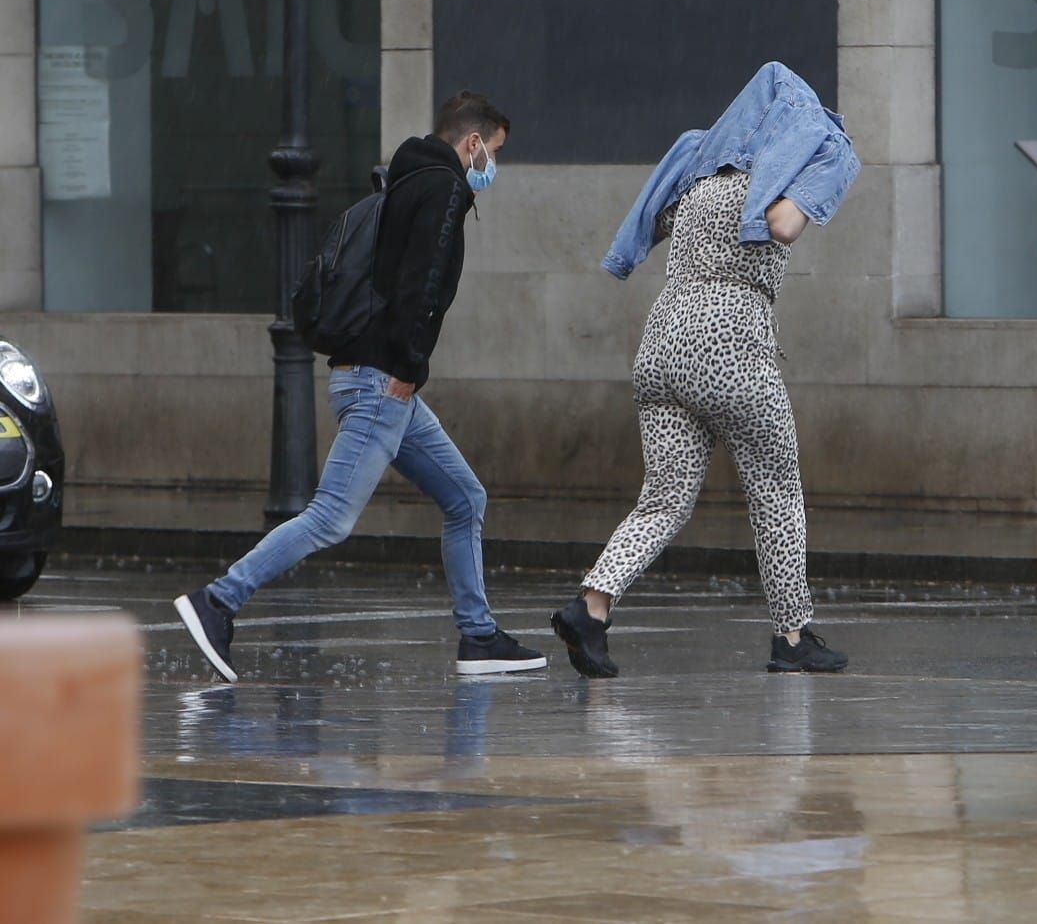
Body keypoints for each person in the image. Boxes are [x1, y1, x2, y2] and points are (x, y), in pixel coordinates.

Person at [174, 92, 546, 682]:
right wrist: (407, 369)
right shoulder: (445, 188)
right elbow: (420, 289)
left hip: (380, 380)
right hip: (383, 381)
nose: (492, 166)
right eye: (494, 152)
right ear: (472, 142)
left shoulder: (405, 179)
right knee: (330, 518)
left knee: (465, 498)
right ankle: (218, 600)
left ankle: (478, 637)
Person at [551, 62, 862, 678]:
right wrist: (807, 188)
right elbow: (782, 225)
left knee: (663, 497)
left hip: (663, 339)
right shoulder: (809, 158)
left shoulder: (703, 172)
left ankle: (593, 607)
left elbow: (655, 224)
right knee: (776, 491)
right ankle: (792, 637)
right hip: (730, 341)